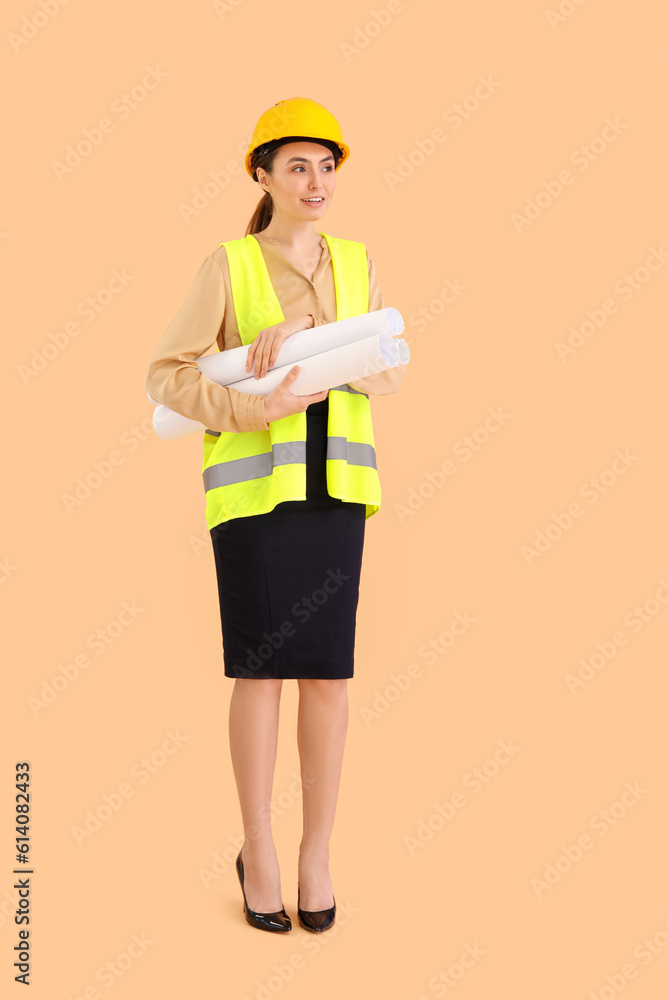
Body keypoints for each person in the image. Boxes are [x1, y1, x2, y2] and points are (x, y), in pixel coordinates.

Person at [144, 97, 406, 933]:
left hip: (336, 495)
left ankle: (315, 853)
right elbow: (167, 377)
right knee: (259, 674)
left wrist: (318, 343)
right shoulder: (228, 266)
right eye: (297, 166)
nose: (316, 181)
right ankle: (258, 849)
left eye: (327, 166)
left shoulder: (359, 262)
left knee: (327, 675)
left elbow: (389, 371)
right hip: (256, 501)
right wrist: (254, 402)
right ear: (262, 176)